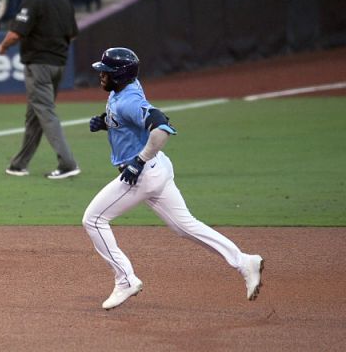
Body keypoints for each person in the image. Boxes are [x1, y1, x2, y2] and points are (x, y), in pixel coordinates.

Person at [82, 47, 264, 310]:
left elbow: (162, 127)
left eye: (106, 72)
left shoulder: (128, 101)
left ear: (120, 76)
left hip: (143, 174)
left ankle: (125, 280)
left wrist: (139, 161)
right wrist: (106, 122)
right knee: (185, 225)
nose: (101, 76)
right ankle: (244, 261)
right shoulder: (122, 90)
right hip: (159, 170)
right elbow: (129, 118)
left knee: (94, 219)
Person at [0, 0, 80, 179]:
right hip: (59, 63)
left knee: (45, 111)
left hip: (39, 63)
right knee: (35, 114)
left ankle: (68, 163)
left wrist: (2, 47)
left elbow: (15, 33)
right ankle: (19, 164)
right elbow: (73, 34)